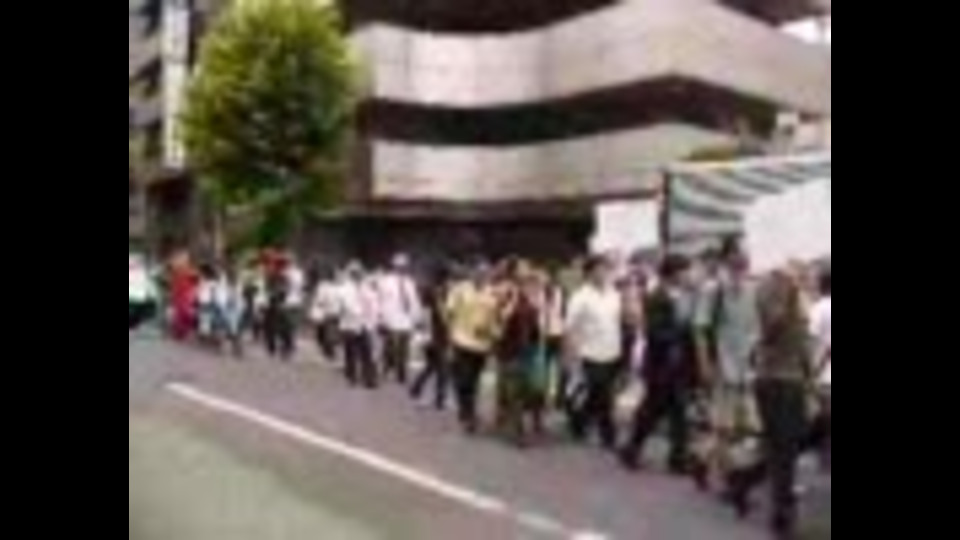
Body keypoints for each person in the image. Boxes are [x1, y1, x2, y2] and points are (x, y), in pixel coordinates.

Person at [727, 270, 814, 538]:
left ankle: (744, 481)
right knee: (785, 448)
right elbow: (777, 333)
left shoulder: (789, 310)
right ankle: (781, 511)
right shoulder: (782, 310)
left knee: (783, 446)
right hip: (781, 384)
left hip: (782, 382)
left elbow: (802, 350)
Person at [690, 245, 761, 492]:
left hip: (749, 368)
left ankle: (703, 458)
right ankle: (724, 476)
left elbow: (758, 330)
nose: (738, 272)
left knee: (747, 427)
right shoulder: (714, 291)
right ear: (726, 267)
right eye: (734, 267)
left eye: (742, 267)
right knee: (725, 426)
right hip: (724, 366)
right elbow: (699, 329)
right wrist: (705, 364)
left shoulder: (754, 291)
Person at [619, 255, 696, 473]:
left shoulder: (682, 295)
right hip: (660, 364)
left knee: (678, 412)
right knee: (653, 410)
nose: (688, 275)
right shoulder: (656, 297)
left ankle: (677, 457)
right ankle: (632, 448)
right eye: (684, 270)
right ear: (673, 273)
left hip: (677, 365)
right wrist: (681, 332)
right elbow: (654, 332)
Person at [564, 255, 624, 450]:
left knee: (596, 395)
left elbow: (618, 320)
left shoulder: (614, 294)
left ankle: (578, 419)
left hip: (612, 351)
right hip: (589, 353)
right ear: (589, 273)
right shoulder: (580, 297)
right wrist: (571, 356)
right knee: (603, 395)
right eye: (600, 269)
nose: (604, 273)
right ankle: (609, 435)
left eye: (606, 269)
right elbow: (570, 328)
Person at [446, 263, 500, 434]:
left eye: (484, 274)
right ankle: (467, 414)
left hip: (482, 345)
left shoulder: (492, 292)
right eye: (478, 273)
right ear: (472, 274)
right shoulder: (460, 290)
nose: (481, 276)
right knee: (465, 379)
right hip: (461, 341)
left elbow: (496, 318)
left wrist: (492, 334)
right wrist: (450, 339)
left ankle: (468, 411)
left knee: (474, 380)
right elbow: (450, 313)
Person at [410, 264, 453, 410]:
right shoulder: (436, 292)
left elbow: (424, 313)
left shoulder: (432, 291)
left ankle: (416, 388)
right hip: (437, 334)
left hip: (435, 333)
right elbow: (426, 314)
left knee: (432, 365)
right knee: (443, 368)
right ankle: (440, 399)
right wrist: (427, 334)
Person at [377, 254, 423, 384]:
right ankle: (387, 367)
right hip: (391, 318)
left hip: (406, 319)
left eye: (404, 267)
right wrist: (381, 318)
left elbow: (414, 301)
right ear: (394, 267)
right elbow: (381, 300)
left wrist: (417, 317)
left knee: (404, 346)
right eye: (399, 267)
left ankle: (401, 373)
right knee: (391, 346)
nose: (402, 269)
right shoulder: (386, 282)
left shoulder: (409, 283)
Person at [338, 263, 379, 388]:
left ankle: (369, 379)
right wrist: (361, 312)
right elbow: (347, 305)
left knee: (367, 352)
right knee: (350, 353)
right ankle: (352, 376)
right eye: (355, 273)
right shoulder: (344, 289)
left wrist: (373, 318)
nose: (357, 276)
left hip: (365, 324)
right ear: (350, 274)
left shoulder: (367, 288)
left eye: (359, 273)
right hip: (350, 325)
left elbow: (374, 303)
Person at [309, 268, 342, 362]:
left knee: (331, 333)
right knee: (326, 333)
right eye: (335, 275)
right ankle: (329, 351)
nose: (336, 277)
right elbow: (320, 299)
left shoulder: (339, 286)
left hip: (335, 311)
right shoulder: (324, 286)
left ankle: (330, 351)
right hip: (326, 312)